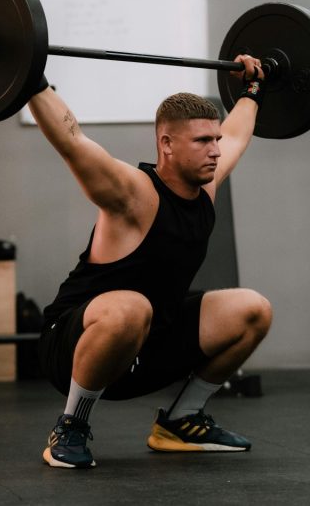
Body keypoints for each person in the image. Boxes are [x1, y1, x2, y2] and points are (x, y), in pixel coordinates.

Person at [28, 55, 273, 469]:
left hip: (149, 341)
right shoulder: (133, 194)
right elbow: (72, 141)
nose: (215, 151)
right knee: (131, 306)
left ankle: (181, 420)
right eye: (202, 142)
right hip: (74, 344)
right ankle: (70, 426)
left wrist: (254, 87)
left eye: (214, 140)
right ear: (166, 144)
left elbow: (237, 134)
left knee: (253, 310)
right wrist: (31, 79)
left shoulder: (206, 184)